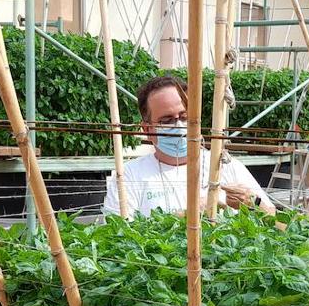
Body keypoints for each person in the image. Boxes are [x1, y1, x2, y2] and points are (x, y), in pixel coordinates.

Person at [102, 74, 277, 217]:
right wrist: (186, 215)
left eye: (185, 117)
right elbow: (115, 238)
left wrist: (253, 202)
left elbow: (278, 224)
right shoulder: (129, 176)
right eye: (167, 120)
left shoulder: (224, 165)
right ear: (148, 129)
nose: (179, 126)